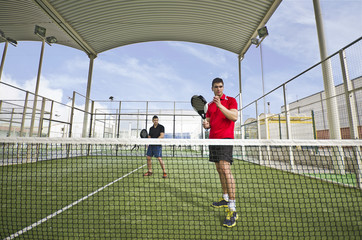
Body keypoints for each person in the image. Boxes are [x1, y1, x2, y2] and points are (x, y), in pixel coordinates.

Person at [202, 77, 238, 228]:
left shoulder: (230, 100)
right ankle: (224, 198)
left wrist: (220, 106)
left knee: (225, 169)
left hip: (225, 139)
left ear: (223, 88)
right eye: (216, 87)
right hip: (213, 140)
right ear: (212, 88)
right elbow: (209, 123)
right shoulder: (209, 105)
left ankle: (233, 208)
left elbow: (234, 116)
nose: (218, 89)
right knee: (219, 170)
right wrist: (206, 124)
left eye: (221, 86)